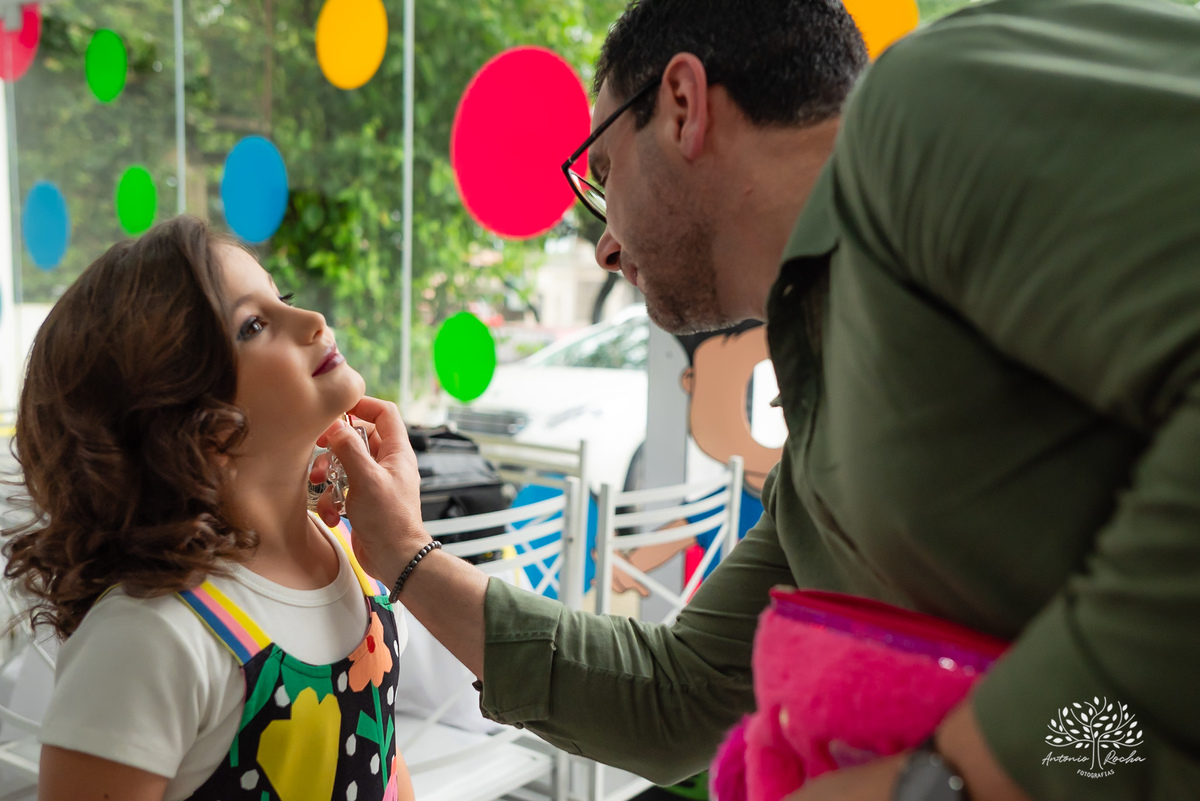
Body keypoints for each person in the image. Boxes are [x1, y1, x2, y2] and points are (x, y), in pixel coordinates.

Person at [314, 0, 1200, 799]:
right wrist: (403, 554)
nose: (603, 247)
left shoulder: (923, 110)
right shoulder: (822, 437)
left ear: (684, 104)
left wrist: (952, 775)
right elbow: (673, 698)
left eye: (601, 172)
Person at [2, 217, 415, 801]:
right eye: (253, 325)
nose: (313, 321)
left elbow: (389, 767)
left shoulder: (355, 550)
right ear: (181, 422)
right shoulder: (148, 637)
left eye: (283, 298)